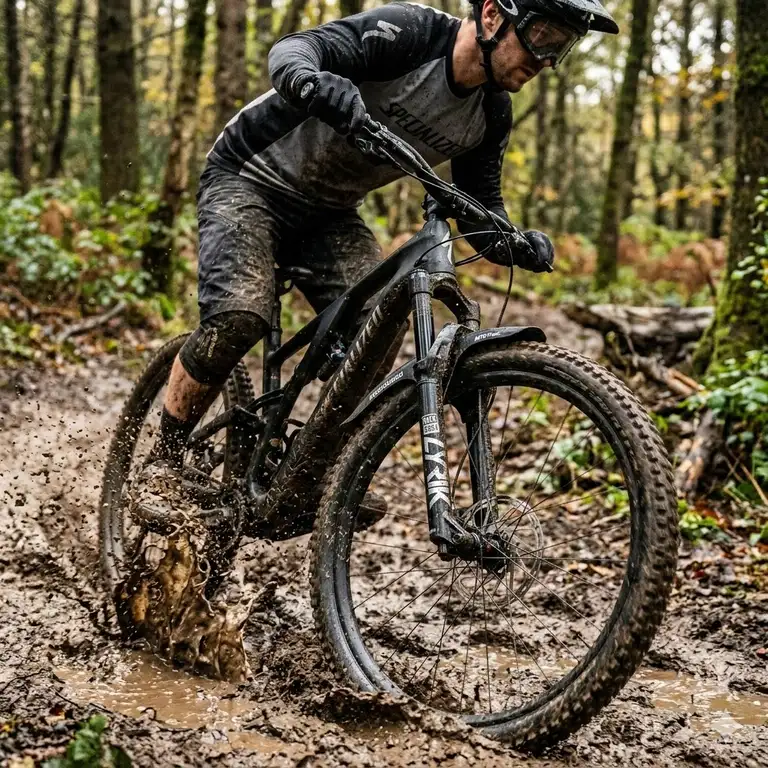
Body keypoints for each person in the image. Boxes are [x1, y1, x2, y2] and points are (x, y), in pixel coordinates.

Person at [135, 0, 619, 519]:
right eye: (543, 36)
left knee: (377, 330)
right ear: (494, 15)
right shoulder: (408, 34)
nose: (548, 59)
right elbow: (295, 50)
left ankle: (310, 476)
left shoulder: (491, 112)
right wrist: (314, 81)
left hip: (330, 213)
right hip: (250, 177)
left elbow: (478, 207)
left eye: (562, 47)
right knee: (239, 317)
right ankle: (162, 463)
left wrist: (513, 241)